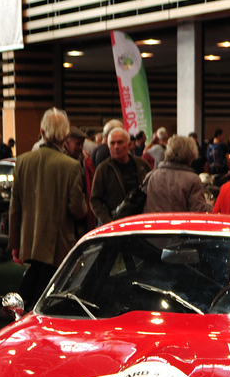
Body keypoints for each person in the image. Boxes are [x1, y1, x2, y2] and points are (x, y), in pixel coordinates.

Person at [9, 108, 87, 308]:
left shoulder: (22, 161)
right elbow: (78, 209)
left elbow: (15, 208)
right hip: (58, 246)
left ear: (42, 132)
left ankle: (18, 310)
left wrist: (15, 243)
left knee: (32, 290)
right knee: (48, 301)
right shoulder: (71, 166)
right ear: (66, 135)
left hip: (29, 242)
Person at [90, 127, 150, 226]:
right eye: (112, 143)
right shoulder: (103, 169)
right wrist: (108, 221)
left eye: (120, 142)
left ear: (128, 144)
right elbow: (95, 200)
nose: (116, 147)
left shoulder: (141, 165)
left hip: (140, 222)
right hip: (116, 224)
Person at [142, 135, 211, 214]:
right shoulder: (193, 180)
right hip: (180, 222)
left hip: (154, 221)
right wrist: (210, 205)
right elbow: (199, 212)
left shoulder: (151, 176)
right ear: (190, 156)